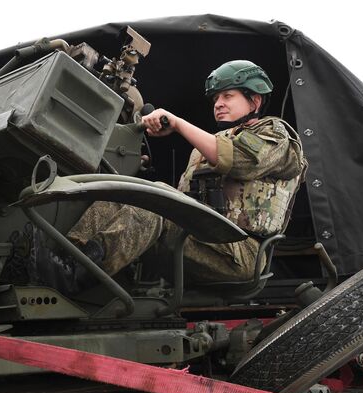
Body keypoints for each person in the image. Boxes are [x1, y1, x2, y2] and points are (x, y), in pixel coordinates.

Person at [42, 60, 307, 295]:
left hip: (241, 252)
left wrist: (178, 123)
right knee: (123, 191)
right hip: (201, 238)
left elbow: (240, 161)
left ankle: (78, 275)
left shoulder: (275, 136)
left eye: (228, 95)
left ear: (255, 101)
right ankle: (68, 257)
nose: (219, 104)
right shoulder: (208, 146)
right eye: (215, 99)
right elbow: (184, 198)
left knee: (157, 202)